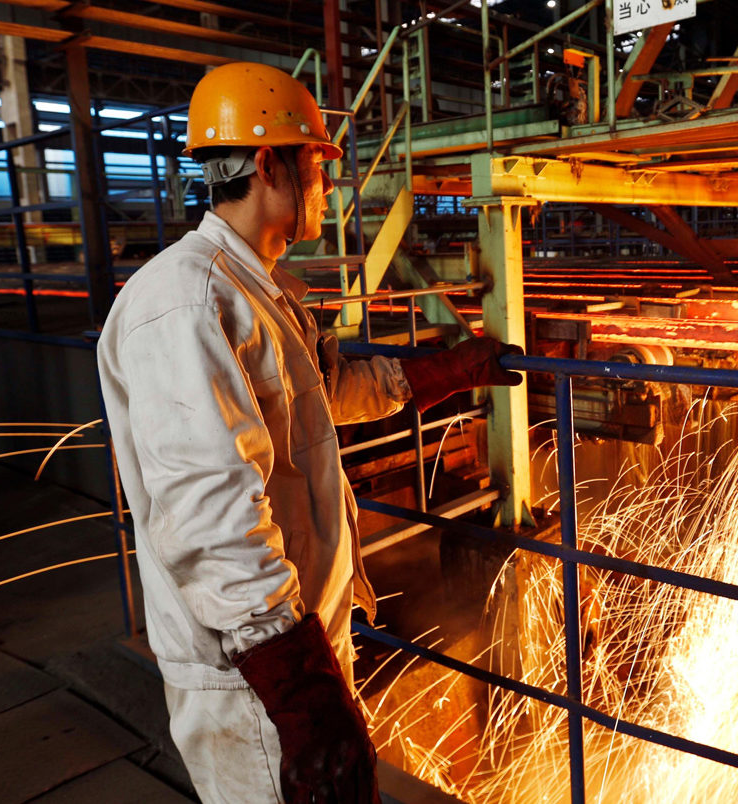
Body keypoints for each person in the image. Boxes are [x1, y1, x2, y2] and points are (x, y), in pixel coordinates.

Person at [96, 62, 521, 804]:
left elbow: (316, 399)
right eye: (318, 164)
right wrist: (305, 701)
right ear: (268, 164)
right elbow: (212, 518)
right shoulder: (186, 303)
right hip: (254, 679)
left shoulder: (261, 289)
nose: (329, 183)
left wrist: (447, 372)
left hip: (299, 648)